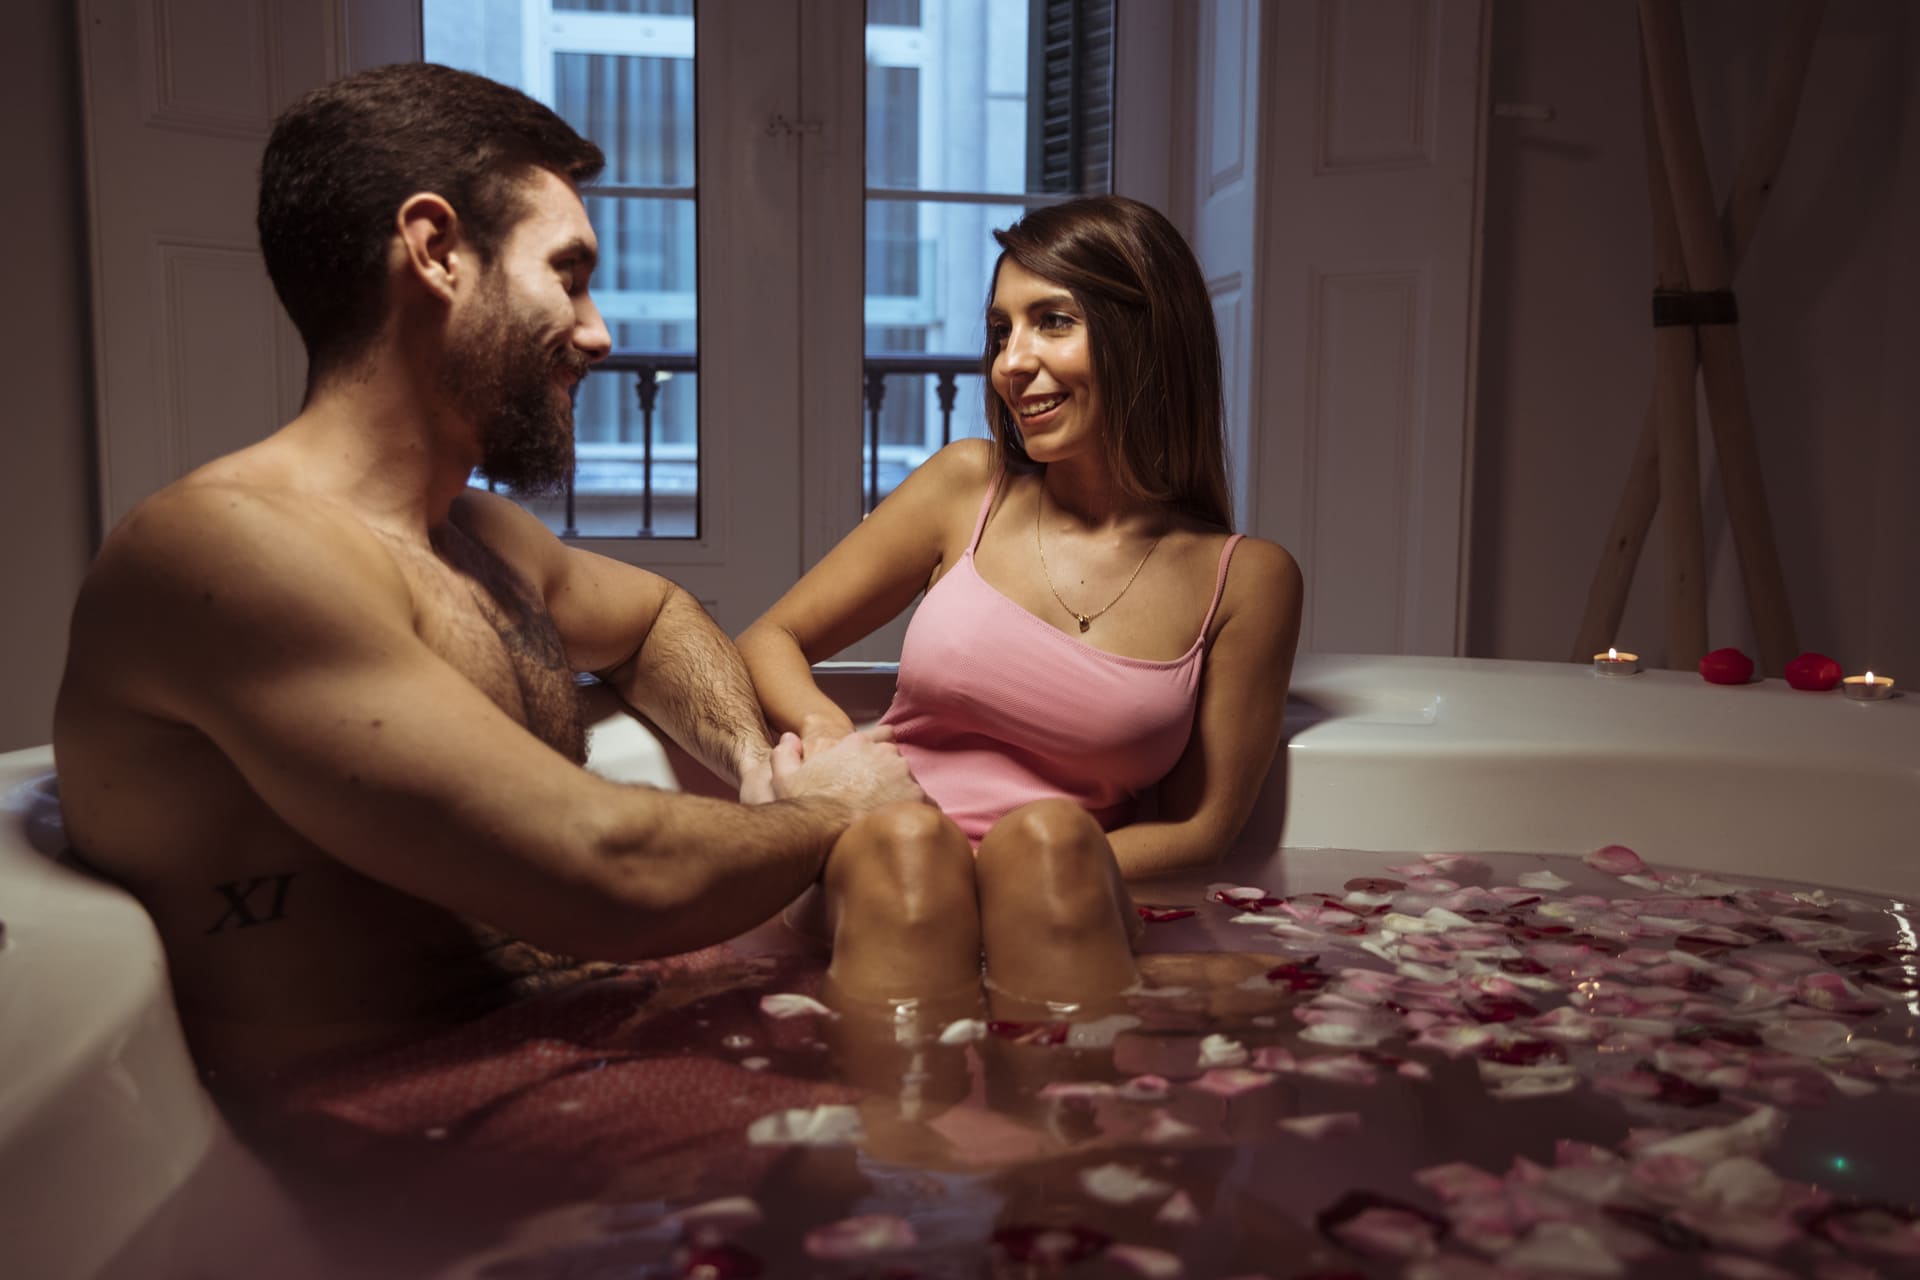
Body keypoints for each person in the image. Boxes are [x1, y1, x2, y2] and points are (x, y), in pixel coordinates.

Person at [50, 63, 921, 1084]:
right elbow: (612, 871)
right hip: (413, 1131)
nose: (599, 334)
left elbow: (656, 617)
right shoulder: (225, 549)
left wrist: (751, 761)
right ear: (435, 250)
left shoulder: (483, 539)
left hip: (591, 1049)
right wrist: (827, 808)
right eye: (569, 273)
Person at [738, 195, 1304, 1016]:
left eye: (1051, 323)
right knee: (909, 847)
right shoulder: (968, 486)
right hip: (882, 863)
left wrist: (1007, 883)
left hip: (1062, 893)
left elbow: (1201, 829)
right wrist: (836, 750)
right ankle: (894, 1136)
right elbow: (771, 637)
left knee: (1048, 837)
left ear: (1145, 337)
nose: (1011, 361)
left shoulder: (1247, 580)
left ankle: (1067, 1130)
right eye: (1002, 331)